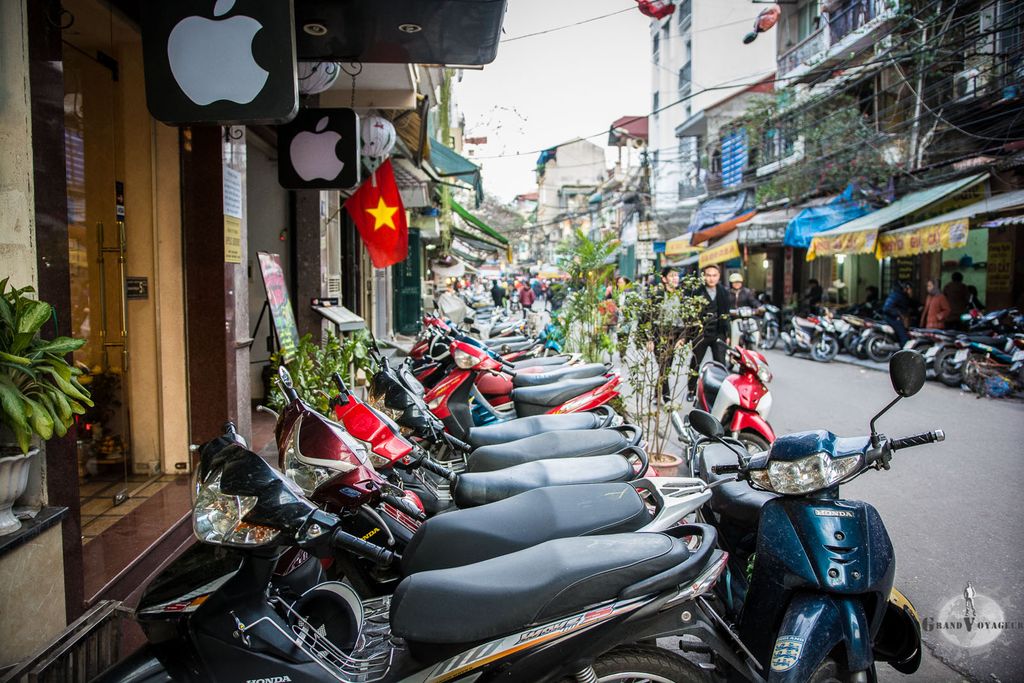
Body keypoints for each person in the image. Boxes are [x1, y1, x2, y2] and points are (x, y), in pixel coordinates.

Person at [686, 264, 730, 403]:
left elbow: (726, 314)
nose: (711, 278)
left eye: (714, 275)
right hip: (701, 333)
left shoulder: (723, 292)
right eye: (708, 275)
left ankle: (720, 391)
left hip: (719, 332)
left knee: (721, 364)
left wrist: (726, 335)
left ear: (719, 276)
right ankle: (691, 390)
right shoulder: (696, 291)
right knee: (696, 362)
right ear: (704, 276)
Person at [881, 280, 913, 347]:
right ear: (906, 288)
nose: (911, 291)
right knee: (904, 338)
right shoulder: (898, 295)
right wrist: (898, 315)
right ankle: (904, 355)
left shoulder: (900, 295)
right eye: (910, 289)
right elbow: (886, 308)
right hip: (893, 319)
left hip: (891, 317)